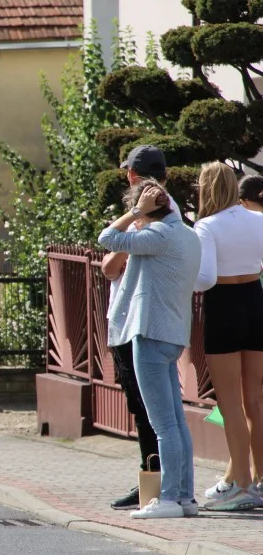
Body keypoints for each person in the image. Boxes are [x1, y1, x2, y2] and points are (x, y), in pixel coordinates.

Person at [99, 179, 202, 519]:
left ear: (147, 210)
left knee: (163, 425)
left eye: (141, 213)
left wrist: (133, 212)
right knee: (176, 421)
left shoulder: (158, 236)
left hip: (151, 334)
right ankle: (186, 497)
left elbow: (107, 239)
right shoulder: (187, 233)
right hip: (173, 333)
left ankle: (169, 498)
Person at [101, 145, 181, 510]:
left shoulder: (153, 213)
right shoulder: (167, 209)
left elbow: (110, 264)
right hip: (145, 318)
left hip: (140, 321)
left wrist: (133, 214)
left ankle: (155, 486)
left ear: (133, 175)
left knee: (149, 410)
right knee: (157, 410)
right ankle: (159, 484)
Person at [193, 163, 263, 510]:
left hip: (223, 305)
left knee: (230, 402)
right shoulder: (258, 219)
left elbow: (204, 278)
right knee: (255, 399)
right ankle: (260, 480)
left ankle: (242, 485)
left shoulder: (206, 226)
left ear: (207, 188)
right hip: (255, 300)